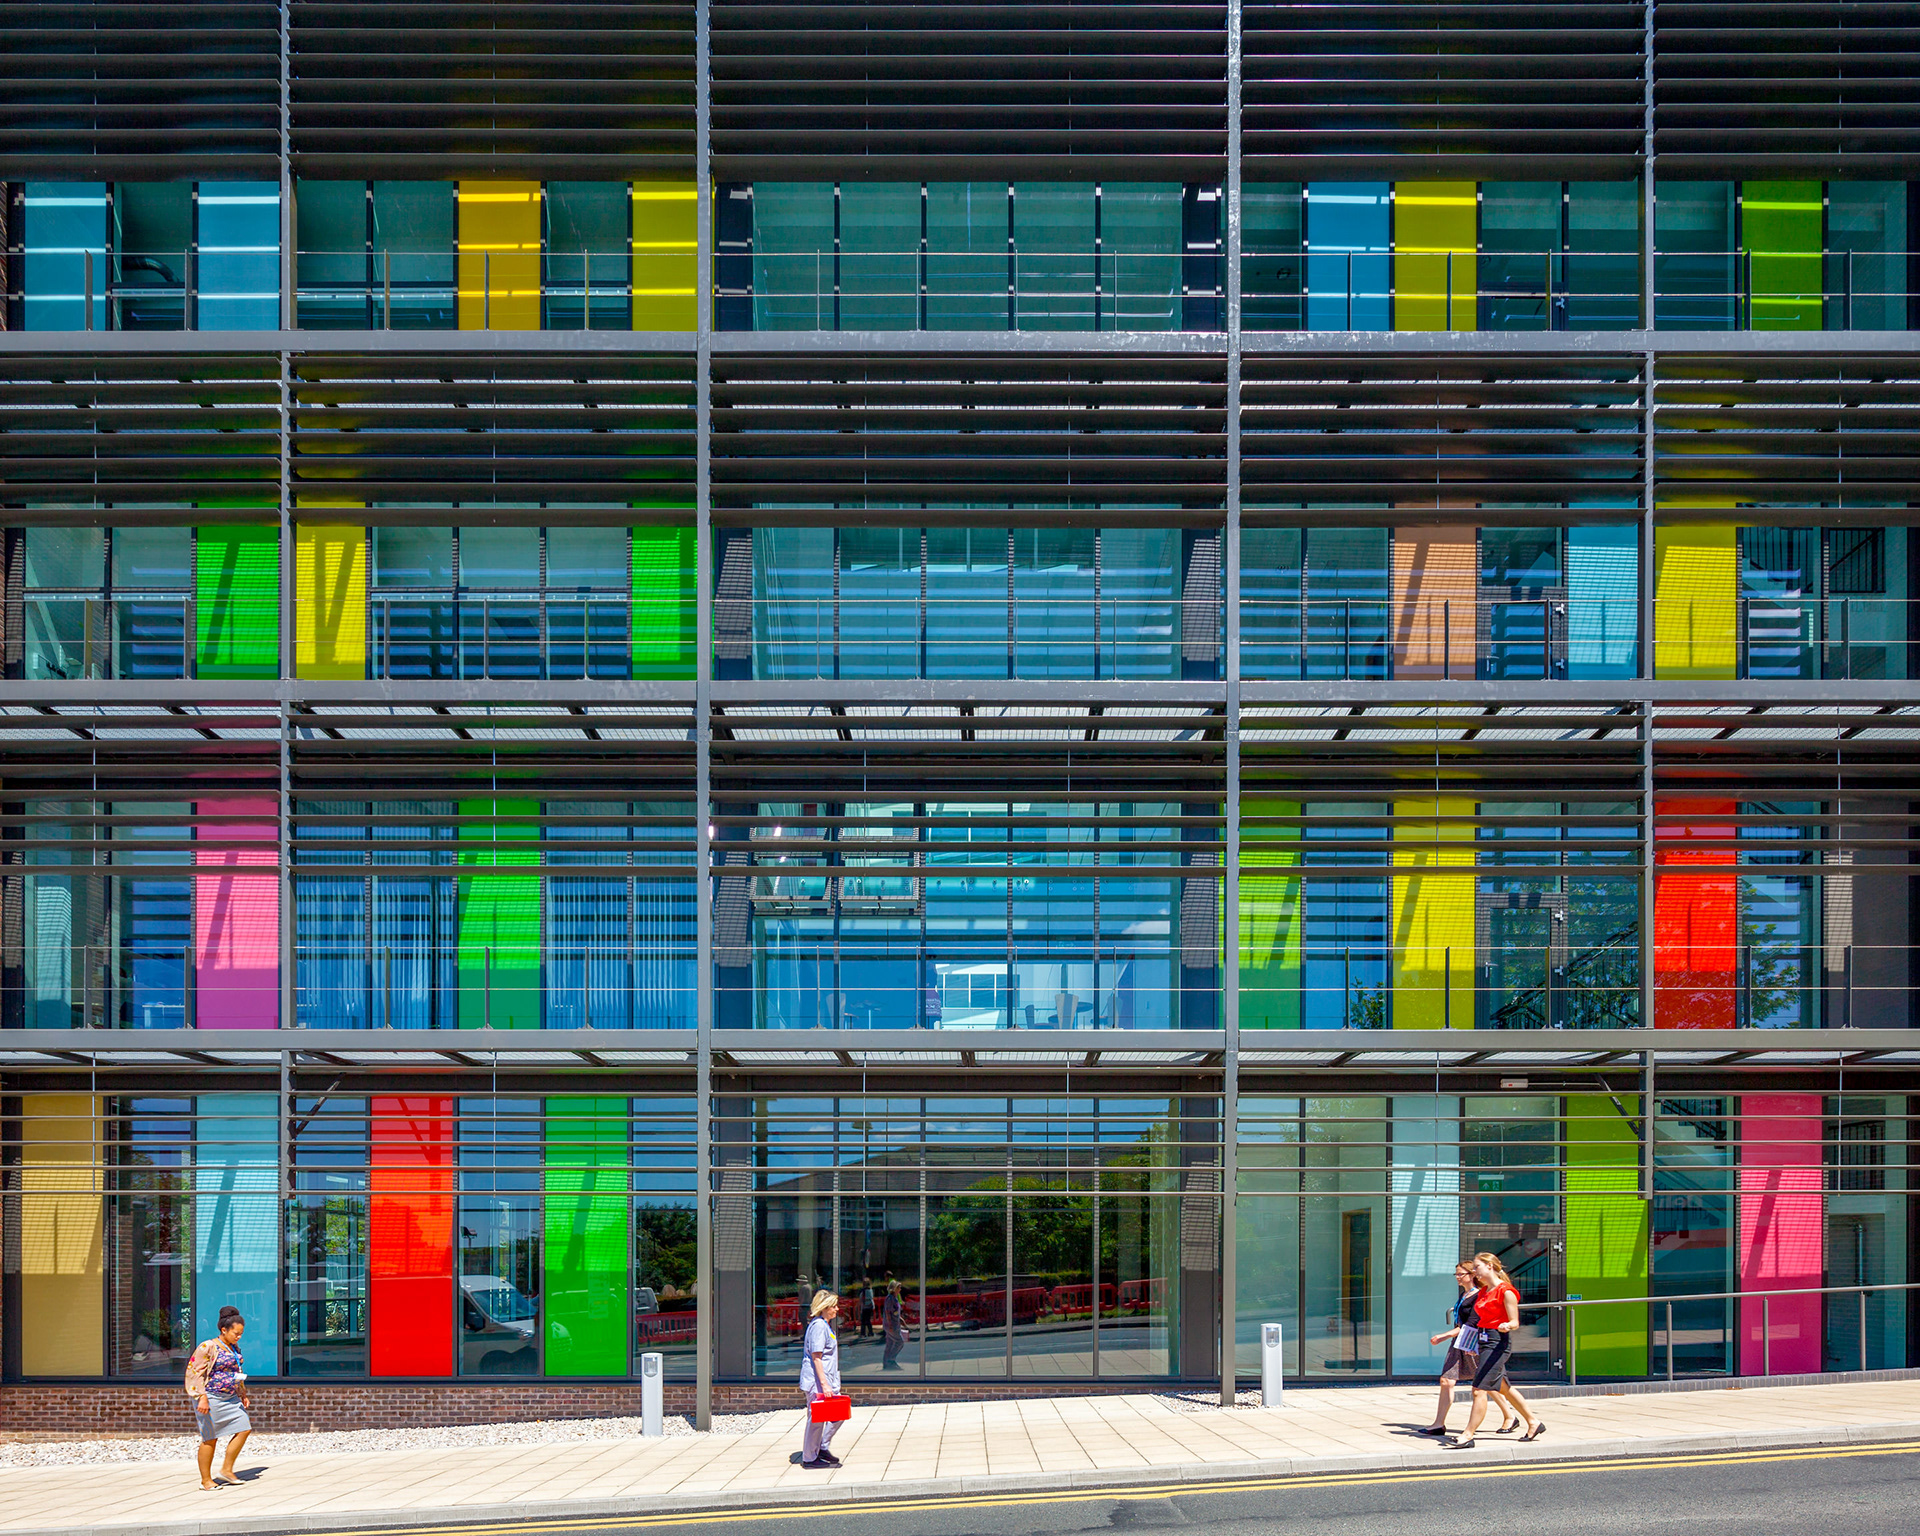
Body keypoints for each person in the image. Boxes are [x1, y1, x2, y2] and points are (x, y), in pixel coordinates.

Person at [1449, 1254, 1543, 1448]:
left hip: (1497, 1342)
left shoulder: (1506, 1291)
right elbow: (1477, 1322)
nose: (1474, 1271)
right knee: (1503, 1388)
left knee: (1478, 1390)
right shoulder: (1484, 1292)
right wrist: (1471, 1344)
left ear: (1490, 1266)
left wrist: (1507, 1325)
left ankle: (1468, 1434)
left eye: (1477, 1267)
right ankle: (1534, 1422)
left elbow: (1515, 1322)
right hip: (1484, 1341)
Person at [1417, 1262, 1514, 1437]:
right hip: (1460, 1343)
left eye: (1460, 1274)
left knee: (1487, 1384)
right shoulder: (1465, 1294)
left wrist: (1444, 1336)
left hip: (1473, 1343)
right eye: (1456, 1274)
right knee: (1446, 1381)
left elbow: (1470, 1325)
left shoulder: (1479, 1296)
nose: (1457, 1277)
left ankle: (1510, 1415)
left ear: (1472, 1275)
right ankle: (1439, 1424)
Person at [184, 1306, 253, 1489]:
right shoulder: (208, 1346)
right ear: (224, 1330)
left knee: (244, 1428)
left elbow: (237, 1372)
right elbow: (194, 1373)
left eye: (241, 1334)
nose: (239, 1337)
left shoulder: (234, 1347)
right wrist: (202, 1398)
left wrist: (242, 1393)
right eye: (236, 1333)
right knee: (210, 1438)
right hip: (211, 1396)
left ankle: (227, 1470)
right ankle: (206, 1481)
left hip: (230, 1397)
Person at [799, 1289, 845, 1469]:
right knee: (817, 1420)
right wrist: (824, 1385)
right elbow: (816, 1357)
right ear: (824, 1308)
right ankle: (810, 1458)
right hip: (817, 1382)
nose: (837, 1309)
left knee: (838, 1415)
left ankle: (822, 1447)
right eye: (833, 1306)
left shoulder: (825, 1325)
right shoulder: (818, 1326)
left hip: (826, 1381)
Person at [881, 1276, 906, 1370]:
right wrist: (890, 1325)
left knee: (890, 1343)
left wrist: (900, 1319)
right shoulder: (890, 1299)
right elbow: (888, 1312)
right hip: (891, 1325)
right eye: (898, 1287)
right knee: (899, 1342)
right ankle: (891, 1360)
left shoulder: (894, 1298)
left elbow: (894, 1312)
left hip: (894, 1324)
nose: (900, 1289)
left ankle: (886, 1363)